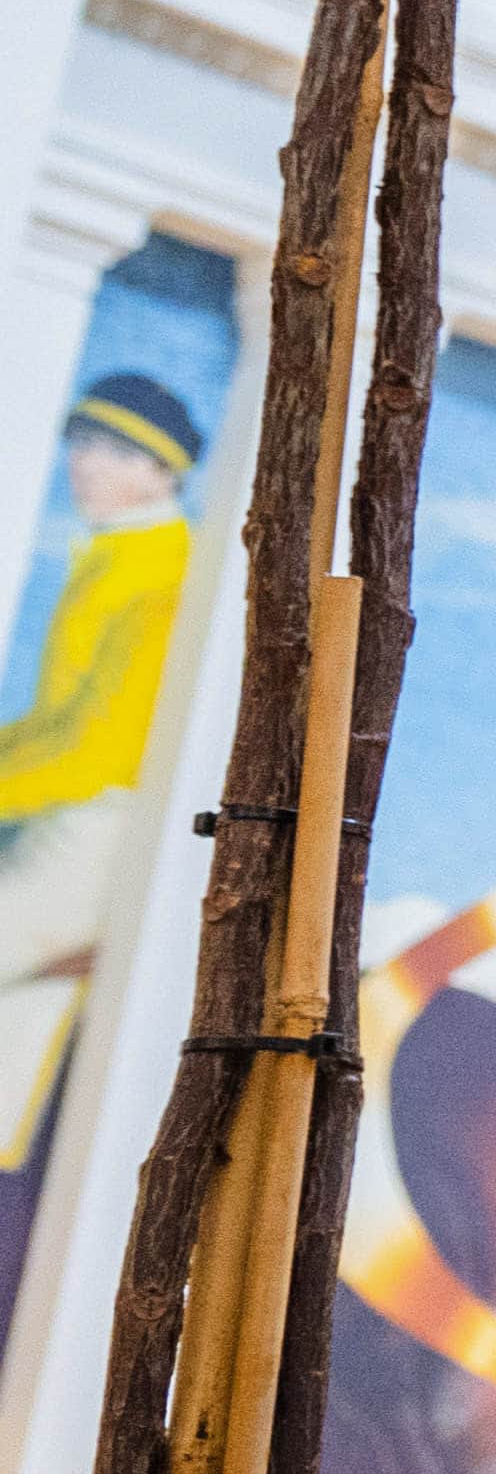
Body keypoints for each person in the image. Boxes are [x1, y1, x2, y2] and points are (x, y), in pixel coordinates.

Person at [0, 363, 206, 1304]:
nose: (86, 463)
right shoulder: (114, 555)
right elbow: (53, 725)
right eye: (84, 442)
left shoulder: (165, 576)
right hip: (60, 804)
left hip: (98, 823)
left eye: (116, 452)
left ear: (162, 475)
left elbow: (97, 748)